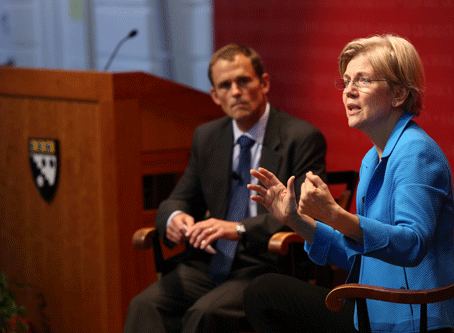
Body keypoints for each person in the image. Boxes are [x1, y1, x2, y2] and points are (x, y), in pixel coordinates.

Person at [244, 35, 454, 333]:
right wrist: (295, 220)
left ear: (399, 93)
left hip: (413, 319)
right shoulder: (371, 159)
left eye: (362, 80)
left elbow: (412, 245)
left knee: (265, 293)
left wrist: (336, 216)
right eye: (346, 81)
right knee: (263, 292)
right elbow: (360, 253)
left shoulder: (416, 152)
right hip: (375, 311)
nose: (348, 92)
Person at [123, 44, 327, 333]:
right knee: (145, 305)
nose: (235, 91)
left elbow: (309, 213)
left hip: (268, 265)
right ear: (215, 96)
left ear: (264, 83)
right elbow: (180, 198)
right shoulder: (207, 137)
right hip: (212, 261)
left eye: (243, 81)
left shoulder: (301, 138)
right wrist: (175, 219)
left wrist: (240, 229)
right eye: (225, 85)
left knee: (204, 314)